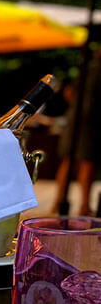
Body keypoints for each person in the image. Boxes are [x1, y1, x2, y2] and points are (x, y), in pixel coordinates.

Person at [52, 49, 101, 217]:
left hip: (74, 117)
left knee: (68, 160)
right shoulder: (96, 72)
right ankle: (85, 206)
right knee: (87, 161)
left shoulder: (85, 71)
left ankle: (58, 202)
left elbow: (68, 92)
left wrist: (76, 105)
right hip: (91, 119)